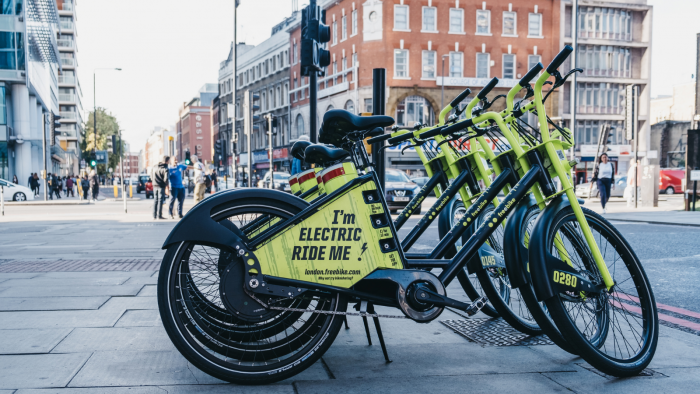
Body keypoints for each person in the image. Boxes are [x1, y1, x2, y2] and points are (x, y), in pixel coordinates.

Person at [152, 155, 170, 220]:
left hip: (154, 185)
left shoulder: (154, 167)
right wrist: (167, 186)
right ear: (167, 161)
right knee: (160, 200)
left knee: (155, 200)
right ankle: (159, 215)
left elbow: (151, 176)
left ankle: (154, 215)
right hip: (161, 186)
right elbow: (166, 179)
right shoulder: (165, 169)